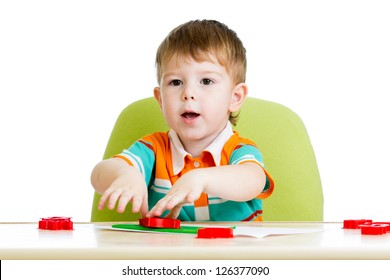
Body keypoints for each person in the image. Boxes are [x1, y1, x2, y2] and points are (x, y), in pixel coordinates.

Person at [91, 19, 274, 221]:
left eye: (206, 81)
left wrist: (202, 178)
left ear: (235, 97)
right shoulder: (153, 149)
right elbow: (98, 174)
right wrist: (125, 174)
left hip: (234, 253)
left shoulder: (239, 150)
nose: (188, 93)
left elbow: (252, 181)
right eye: (176, 82)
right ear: (160, 99)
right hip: (170, 253)